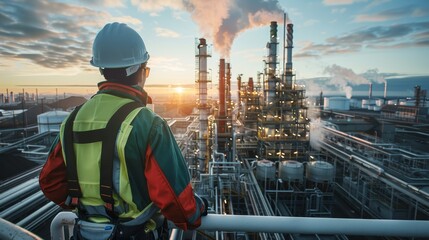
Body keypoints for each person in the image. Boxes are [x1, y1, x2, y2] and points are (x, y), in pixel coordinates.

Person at [39, 22, 207, 239]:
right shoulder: (147, 123)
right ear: (140, 71)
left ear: (101, 69)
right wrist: (196, 211)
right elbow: (176, 203)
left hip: (83, 233)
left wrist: (87, 206)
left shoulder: (72, 119)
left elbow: (49, 182)